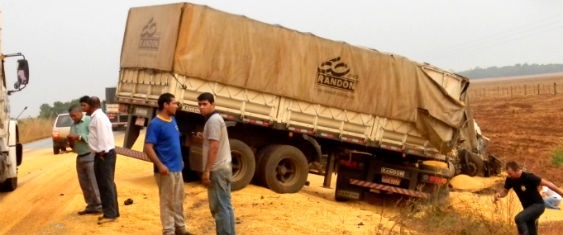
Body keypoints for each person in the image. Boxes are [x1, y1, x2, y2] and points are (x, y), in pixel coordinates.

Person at [144, 93, 194, 235]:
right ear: (165, 105)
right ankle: (168, 231)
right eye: (174, 103)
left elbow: (174, 142)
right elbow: (148, 148)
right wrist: (160, 165)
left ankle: (180, 228)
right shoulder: (155, 124)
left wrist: (180, 160)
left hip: (177, 167)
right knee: (167, 202)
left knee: (178, 200)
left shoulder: (172, 120)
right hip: (165, 170)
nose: (177, 106)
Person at [197, 92, 235, 235]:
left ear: (212, 104)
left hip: (217, 169)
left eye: (205, 104)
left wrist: (207, 171)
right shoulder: (216, 119)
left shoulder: (213, 121)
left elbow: (214, 147)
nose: (201, 107)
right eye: (200, 104)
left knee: (219, 208)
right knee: (226, 206)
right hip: (224, 166)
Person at [494, 161, 563, 235]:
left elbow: (549, 184)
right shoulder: (510, 179)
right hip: (527, 209)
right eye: (508, 174)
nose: (509, 176)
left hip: (538, 205)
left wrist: (562, 194)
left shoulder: (529, 177)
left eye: (510, 174)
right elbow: (505, 191)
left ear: (517, 170)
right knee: (531, 231)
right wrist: (499, 195)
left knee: (519, 218)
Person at [85, 96, 120, 224]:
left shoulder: (98, 118)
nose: (85, 109)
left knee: (106, 184)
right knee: (106, 183)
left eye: (86, 106)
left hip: (104, 154)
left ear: (90, 105)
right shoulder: (98, 116)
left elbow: (103, 136)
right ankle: (111, 211)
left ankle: (110, 214)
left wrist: (101, 151)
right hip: (103, 153)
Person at [67, 104, 102, 215]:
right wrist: (71, 142)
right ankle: (90, 205)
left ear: (80, 112)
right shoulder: (73, 125)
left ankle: (99, 205)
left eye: (74, 116)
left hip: (90, 155)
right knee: (84, 184)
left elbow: (92, 136)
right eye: (71, 116)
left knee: (93, 182)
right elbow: (73, 142)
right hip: (80, 156)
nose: (73, 118)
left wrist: (78, 137)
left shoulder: (88, 120)